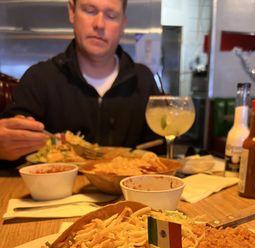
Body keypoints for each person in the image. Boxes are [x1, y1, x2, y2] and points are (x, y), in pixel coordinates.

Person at [0, 0, 160, 161]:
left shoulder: (143, 81)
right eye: (90, 11)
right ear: (72, 12)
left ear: (123, 24)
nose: (99, 24)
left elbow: (160, 153)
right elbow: (11, 153)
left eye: (111, 16)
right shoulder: (39, 79)